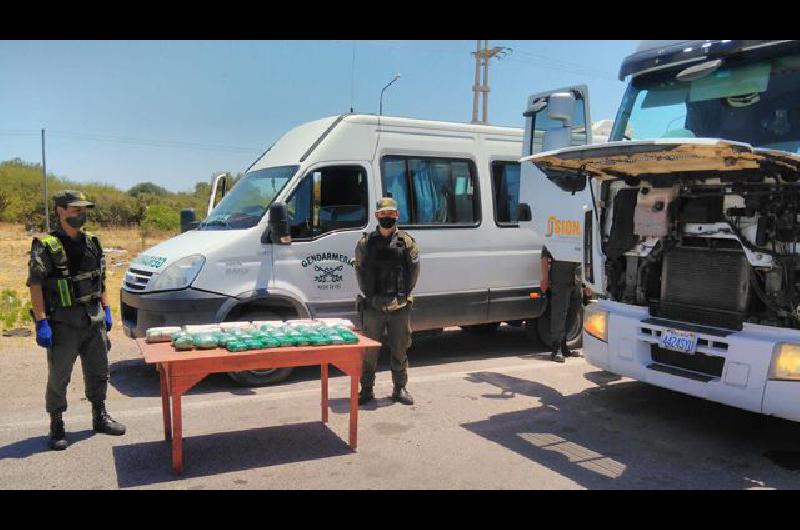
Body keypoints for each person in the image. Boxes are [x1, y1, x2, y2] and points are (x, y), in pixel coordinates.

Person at [28, 191, 126, 451]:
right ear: (61, 211)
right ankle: (57, 423)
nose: (81, 214)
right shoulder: (46, 245)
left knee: (99, 371)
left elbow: (100, 279)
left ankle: (100, 415)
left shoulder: (92, 241)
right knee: (59, 376)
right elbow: (35, 285)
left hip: (93, 320)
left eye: (83, 210)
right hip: (63, 324)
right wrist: (41, 322)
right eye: (75, 209)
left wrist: (106, 309)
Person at [354, 197, 420, 406]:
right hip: (373, 305)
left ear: (397, 216)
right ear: (376, 216)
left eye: (391, 214)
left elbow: (414, 271)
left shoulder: (406, 241)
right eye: (383, 215)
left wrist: (403, 294)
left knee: (400, 348)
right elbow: (360, 270)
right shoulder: (365, 243)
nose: (387, 218)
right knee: (369, 351)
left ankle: (399, 388)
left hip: (399, 305)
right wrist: (370, 295)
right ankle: (366, 389)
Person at [540, 245, 582, 363]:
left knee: (573, 312)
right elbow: (544, 255)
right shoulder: (557, 230)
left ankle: (564, 346)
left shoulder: (579, 230)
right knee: (559, 313)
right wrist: (544, 278)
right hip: (560, 279)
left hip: (577, 279)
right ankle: (556, 349)